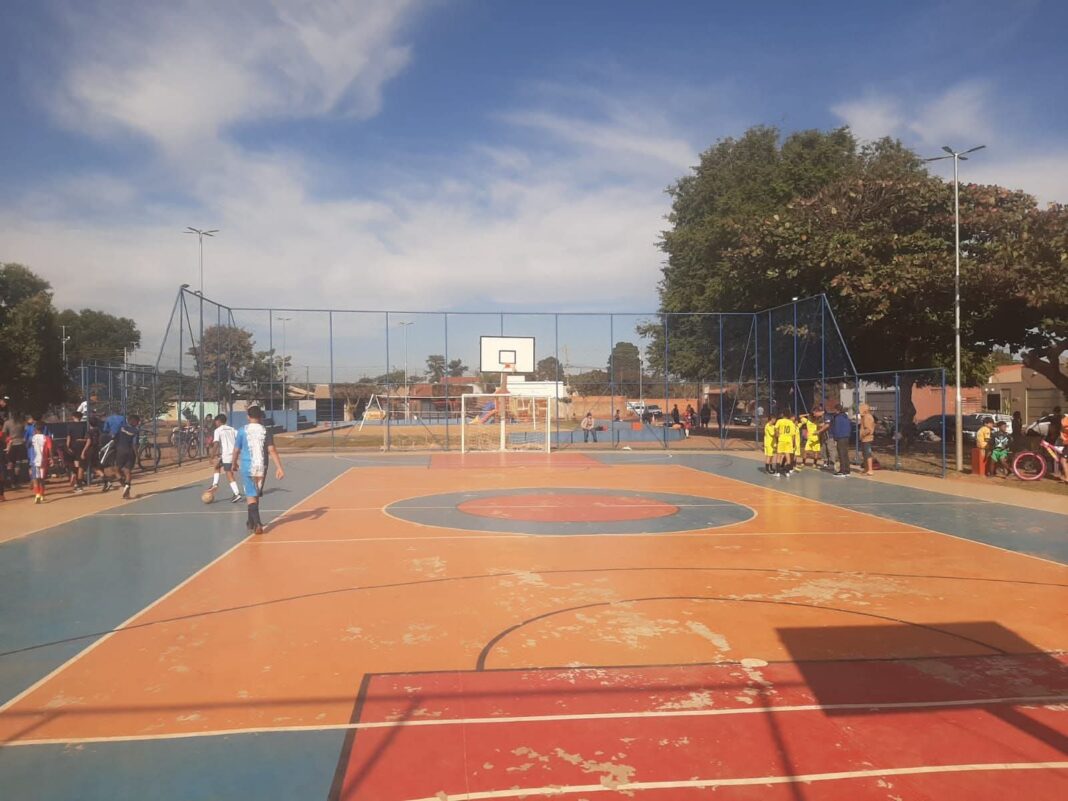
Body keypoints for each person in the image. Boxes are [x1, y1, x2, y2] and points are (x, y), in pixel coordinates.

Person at [232, 406, 285, 535]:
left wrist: (234, 462)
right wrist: (279, 467)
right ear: (261, 417)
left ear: (248, 416)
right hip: (262, 466)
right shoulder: (266, 431)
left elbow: (236, 450)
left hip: (247, 466)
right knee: (255, 494)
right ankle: (251, 522)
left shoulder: (242, 431)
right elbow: (271, 450)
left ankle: (257, 523)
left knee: (250, 496)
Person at [209, 414, 242, 502]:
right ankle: (215, 484)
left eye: (216, 421)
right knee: (217, 466)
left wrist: (212, 456)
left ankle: (236, 493)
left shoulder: (218, 430)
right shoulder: (232, 429)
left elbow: (216, 444)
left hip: (227, 455)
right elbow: (240, 438)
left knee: (229, 474)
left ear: (218, 421)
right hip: (233, 453)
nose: (215, 423)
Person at [25, 414, 52, 504]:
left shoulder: (31, 438)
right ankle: (42, 495)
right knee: (42, 479)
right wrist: (51, 458)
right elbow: (50, 448)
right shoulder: (46, 438)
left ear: (35, 430)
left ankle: (37, 495)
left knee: (35, 478)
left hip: (34, 460)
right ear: (43, 429)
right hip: (43, 461)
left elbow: (28, 445)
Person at [114, 414, 141, 499]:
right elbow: (134, 444)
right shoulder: (136, 431)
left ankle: (123, 484)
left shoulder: (121, 428)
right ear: (135, 422)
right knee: (127, 471)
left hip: (121, 451)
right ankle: (127, 486)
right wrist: (137, 456)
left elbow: (115, 439)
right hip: (130, 452)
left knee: (116, 470)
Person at [65, 410, 90, 492]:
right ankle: (79, 484)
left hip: (73, 446)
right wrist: (82, 440)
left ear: (73, 417)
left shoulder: (70, 426)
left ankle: (74, 476)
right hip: (81, 446)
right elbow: (86, 438)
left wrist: (68, 446)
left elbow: (68, 437)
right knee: (81, 466)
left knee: (75, 463)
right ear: (81, 417)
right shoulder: (84, 426)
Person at [4, 409, 27, 489]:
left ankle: (13, 482)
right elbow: (25, 432)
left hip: (11, 444)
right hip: (21, 443)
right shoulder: (22, 423)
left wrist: (7, 442)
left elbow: (4, 434)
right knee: (20, 464)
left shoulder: (7, 423)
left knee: (11, 463)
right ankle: (18, 481)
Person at [828, 403, 852, 476]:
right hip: (846, 437)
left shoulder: (837, 418)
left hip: (840, 437)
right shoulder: (846, 417)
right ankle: (847, 470)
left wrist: (835, 438)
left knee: (841, 454)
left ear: (837, 410)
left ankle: (843, 471)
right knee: (845, 454)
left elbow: (836, 428)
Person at [774, 411, 797, 477]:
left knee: (779, 455)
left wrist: (777, 434)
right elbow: (793, 435)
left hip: (782, 439)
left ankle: (778, 472)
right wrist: (792, 443)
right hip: (789, 440)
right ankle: (787, 472)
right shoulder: (791, 423)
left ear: (783, 414)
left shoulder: (780, 421)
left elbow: (776, 428)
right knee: (788, 455)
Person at [858, 403, 876, 476]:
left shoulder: (867, 417)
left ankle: (870, 470)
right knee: (865, 454)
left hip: (867, 439)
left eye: (861, 408)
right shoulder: (865, 416)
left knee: (868, 454)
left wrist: (862, 434)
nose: (859, 410)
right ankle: (866, 469)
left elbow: (868, 429)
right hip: (864, 439)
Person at [1046, 407, 1063, 478]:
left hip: (1055, 438)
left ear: (1054, 411)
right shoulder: (1062, 418)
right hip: (1061, 438)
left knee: (1054, 455)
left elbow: (1051, 428)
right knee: (1060, 455)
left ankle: (1056, 471)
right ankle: (1060, 470)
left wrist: (1047, 436)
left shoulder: (1053, 418)